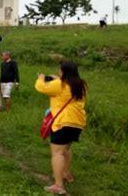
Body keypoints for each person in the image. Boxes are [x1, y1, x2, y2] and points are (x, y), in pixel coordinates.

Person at [35, 61, 87, 195]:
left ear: (63, 71)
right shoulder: (81, 84)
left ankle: (58, 185)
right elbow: (66, 91)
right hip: (77, 122)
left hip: (62, 122)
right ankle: (66, 173)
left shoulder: (60, 84)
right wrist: (57, 79)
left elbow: (41, 88)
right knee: (66, 150)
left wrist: (41, 78)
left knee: (57, 153)